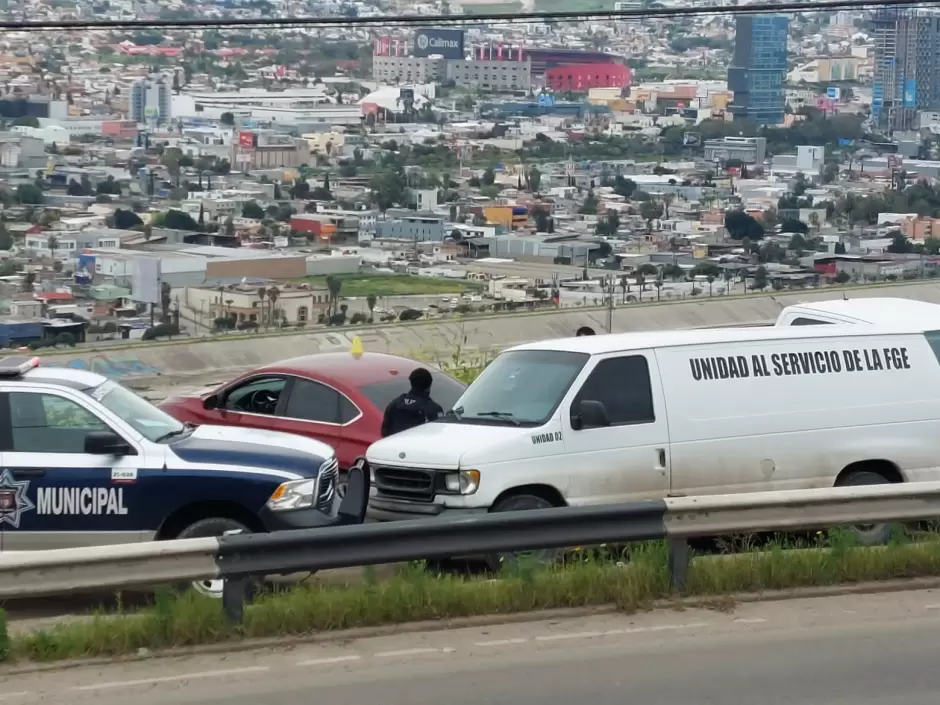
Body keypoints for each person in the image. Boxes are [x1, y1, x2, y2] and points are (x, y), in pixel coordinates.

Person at [381, 367, 444, 437]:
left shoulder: (394, 404)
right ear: (429, 385)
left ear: (411, 382)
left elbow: (384, 432)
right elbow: (439, 437)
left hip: (394, 446)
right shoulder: (434, 409)